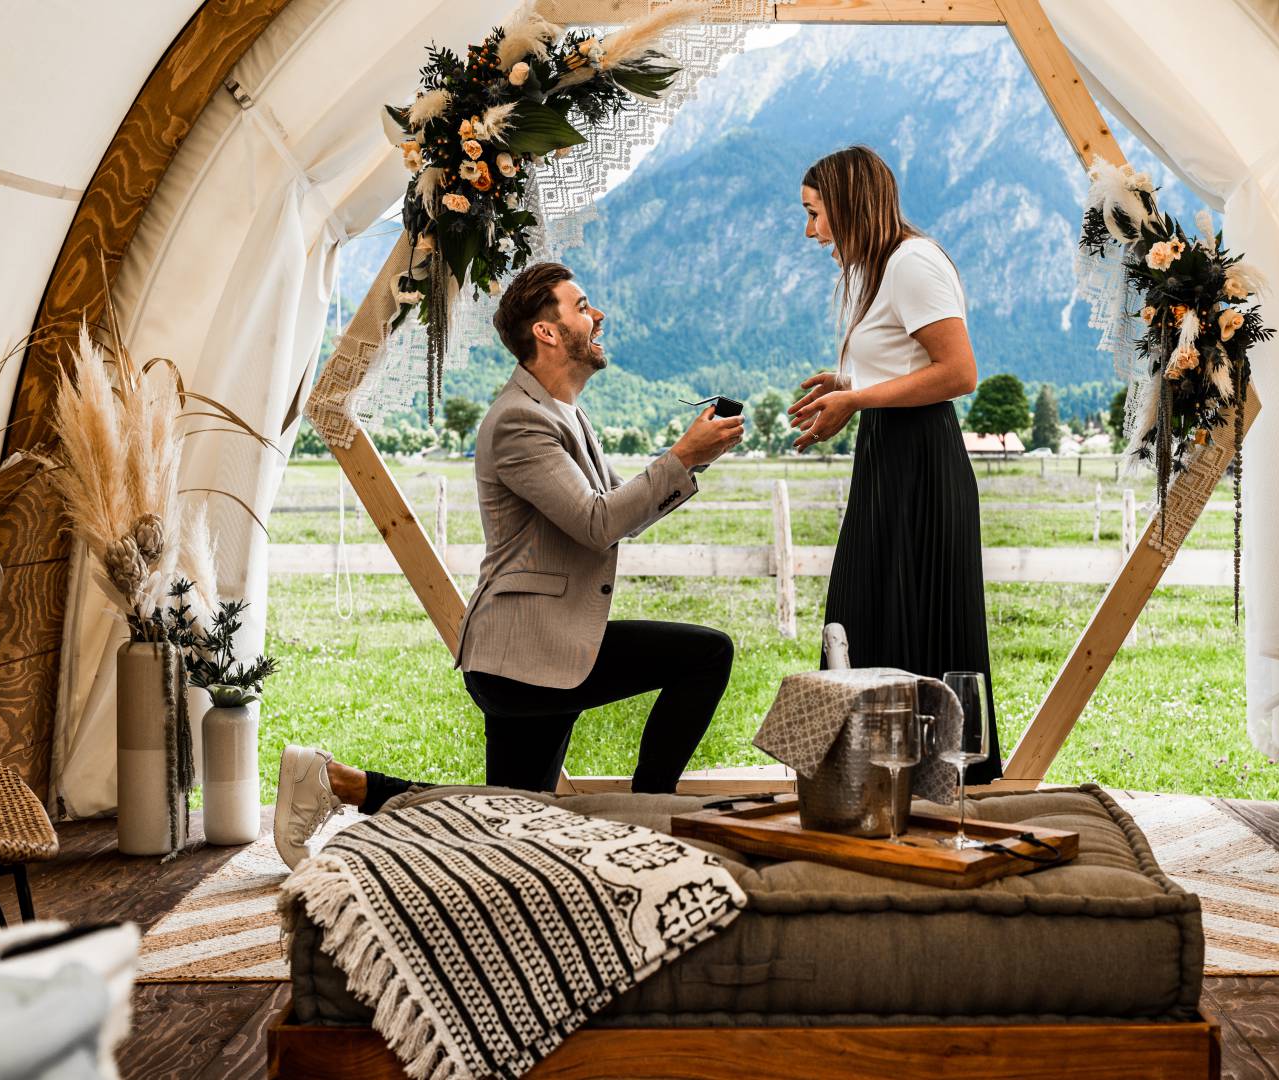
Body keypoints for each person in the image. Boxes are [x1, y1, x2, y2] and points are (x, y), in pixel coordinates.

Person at [273, 261, 745, 868]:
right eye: (582, 305)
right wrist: (679, 456)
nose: (597, 315)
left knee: (512, 824)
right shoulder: (521, 420)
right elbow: (598, 522)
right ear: (547, 332)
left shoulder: (562, 412)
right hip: (525, 655)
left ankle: (339, 782)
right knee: (706, 656)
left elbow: (607, 519)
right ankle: (651, 819)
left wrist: (691, 461)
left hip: (542, 649)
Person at [788, 145, 1001, 782]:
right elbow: (902, 366)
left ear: (850, 205)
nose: (810, 231)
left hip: (923, 465)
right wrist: (848, 383)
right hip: (884, 457)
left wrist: (858, 395)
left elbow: (959, 373)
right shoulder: (869, 269)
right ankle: (860, 778)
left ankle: (935, 784)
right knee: (864, 612)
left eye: (816, 214)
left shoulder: (913, 264)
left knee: (913, 615)